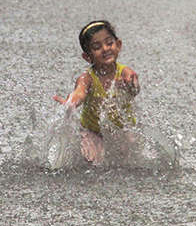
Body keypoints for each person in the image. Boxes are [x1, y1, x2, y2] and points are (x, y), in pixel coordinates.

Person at [53, 20, 140, 166]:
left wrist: (131, 84)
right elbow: (79, 92)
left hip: (121, 130)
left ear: (118, 45)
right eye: (97, 47)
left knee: (131, 160)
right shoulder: (87, 78)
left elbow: (135, 89)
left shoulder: (124, 72)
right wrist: (72, 102)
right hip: (92, 131)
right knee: (92, 161)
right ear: (87, 57)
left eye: (109, 43)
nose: (105, 49)